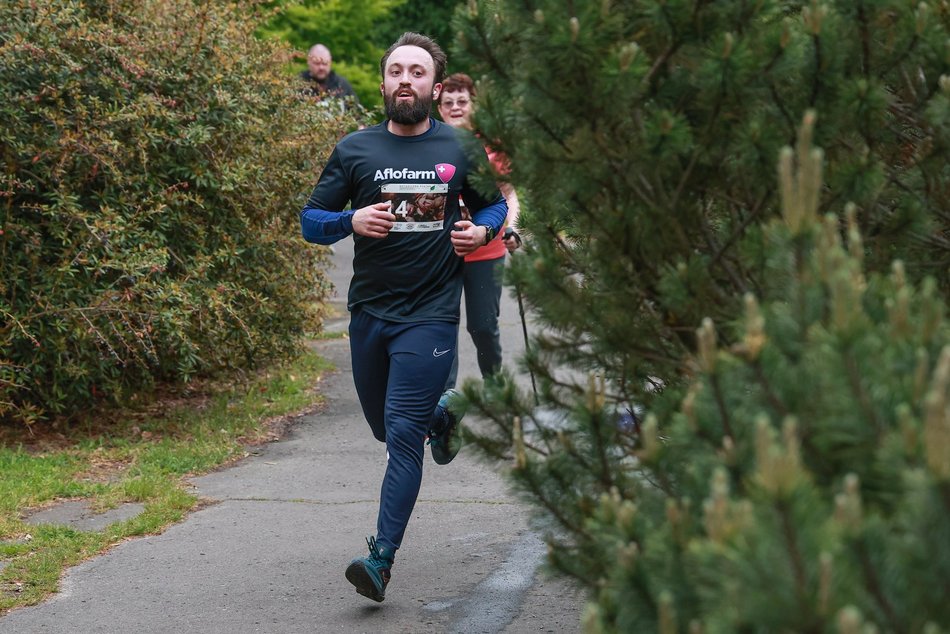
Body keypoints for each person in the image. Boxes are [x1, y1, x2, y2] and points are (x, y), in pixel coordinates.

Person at [299, 33, 507, 603]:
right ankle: (445, 417)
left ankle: (380, 559)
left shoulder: (460, 149)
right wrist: (350, 221)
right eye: (396, 71)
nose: (406, 80)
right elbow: (310, 220)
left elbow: (492, 202)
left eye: (417, 72)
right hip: (370, 313)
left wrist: (482, 229)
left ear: (435, 87)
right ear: (385, 83)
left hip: (430, 314)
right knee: (385, 429)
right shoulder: (356, 150)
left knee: (400, 439)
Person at [436, 73, 522, 386]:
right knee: (441, 328)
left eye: (462, 101)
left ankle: (495, 387)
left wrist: (511, 228)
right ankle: (445, 406)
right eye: (449, 102)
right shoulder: (428, 144)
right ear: (439, 106)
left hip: (486, 249)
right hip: (439, 252)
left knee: (483, 326)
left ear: (473, 105)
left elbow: (509, 196)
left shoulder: (493, 150)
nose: (456, 107)